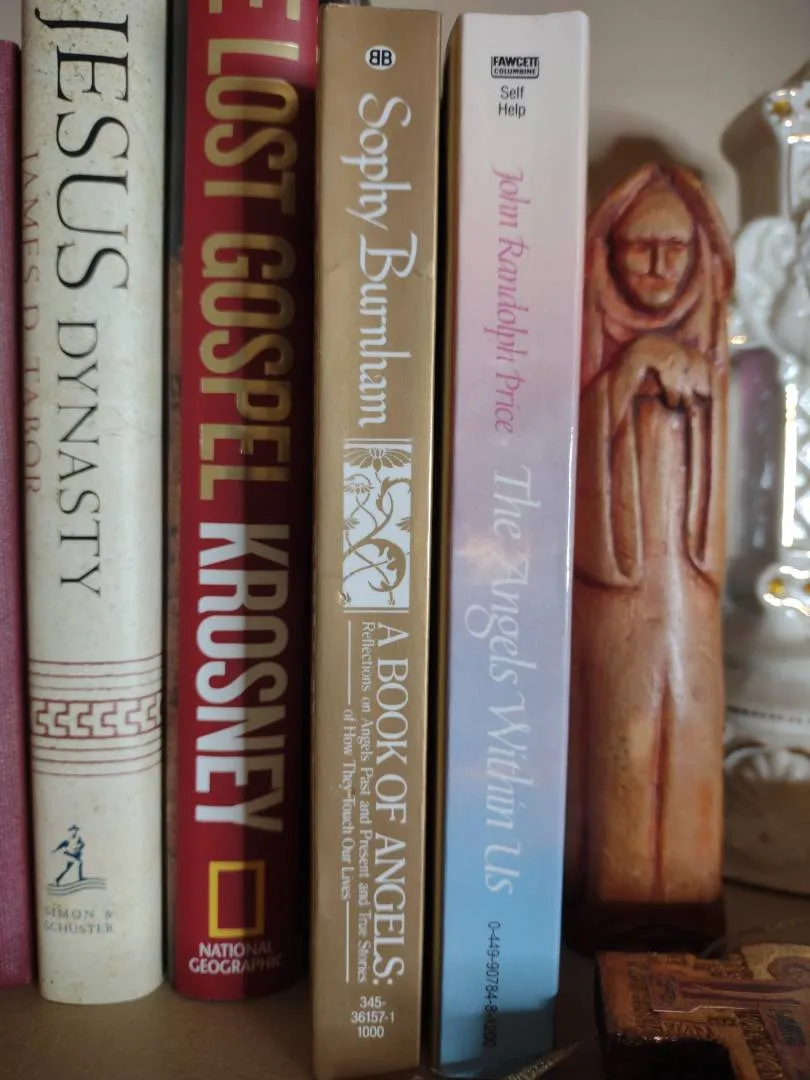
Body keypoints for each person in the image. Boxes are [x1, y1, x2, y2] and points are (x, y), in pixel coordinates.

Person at [565, 165, 734, 915]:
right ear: (607, 252)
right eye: (641, 247)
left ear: (701, 256)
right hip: (617, 589)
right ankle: (617, 888)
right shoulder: (592, 344)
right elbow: (563, 448)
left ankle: (685, 890)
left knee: (691, 716)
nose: (661, 267)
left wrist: (696, 389)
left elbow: (715, 489)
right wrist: (631, 368)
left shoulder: (709, 347)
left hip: (688, 596)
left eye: (677, 248)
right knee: (621, 730)